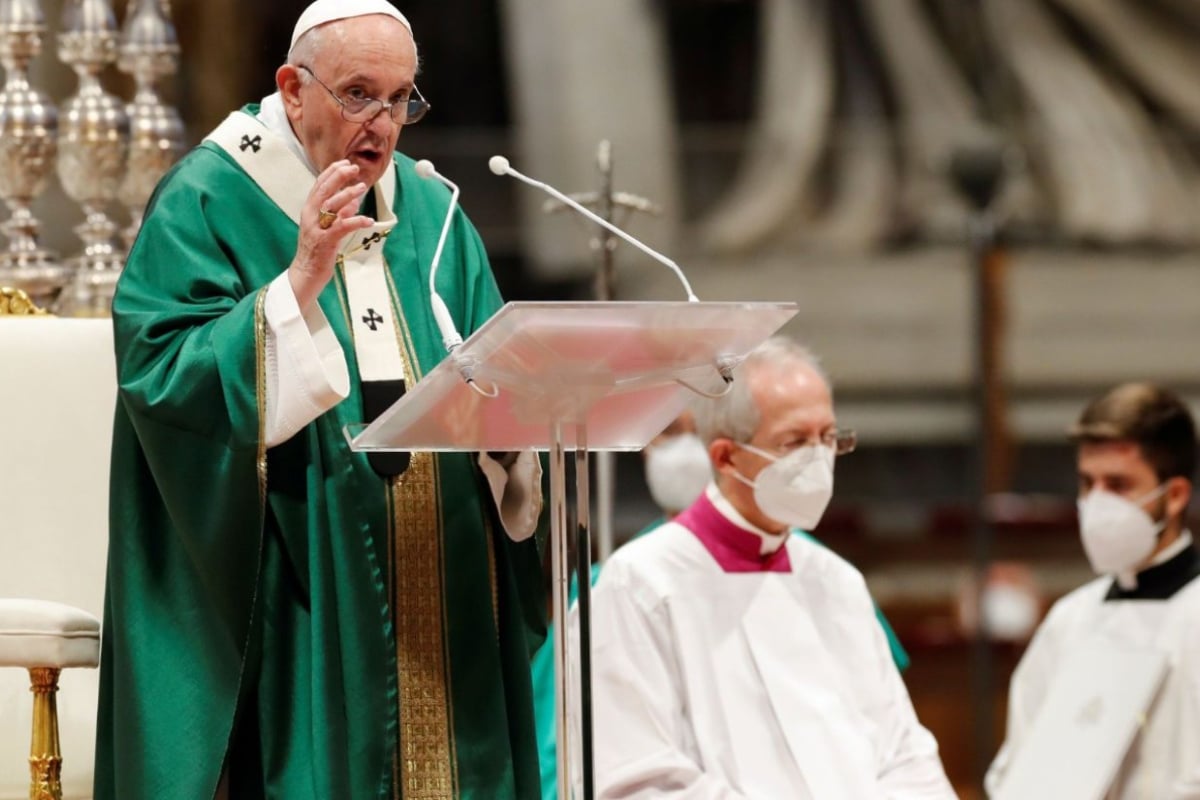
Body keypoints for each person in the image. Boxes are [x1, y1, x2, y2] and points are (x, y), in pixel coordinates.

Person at [95, 2, 546, 798]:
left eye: (401, 98)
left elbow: (498, 367)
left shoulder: (432, 209)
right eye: (358, 93)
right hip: (296, 579)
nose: (383, 123)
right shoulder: (208, 195)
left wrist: (520, 434)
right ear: (292, 89)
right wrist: (299, 281)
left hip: (446, 578)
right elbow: (162, 377)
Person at [584, 336, 954, 798]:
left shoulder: (835, 580)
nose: (818, 458)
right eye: (795, 442)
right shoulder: (640, 585)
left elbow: (905, 753)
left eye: (827, 438)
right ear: (725, 457)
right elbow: (641, 777)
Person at [986, 383, 1200, 799]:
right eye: (1088, 483)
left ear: (1174, 496)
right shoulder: (1069, 621)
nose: (1097, 502)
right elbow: (1018, 773)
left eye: (1118, 485)